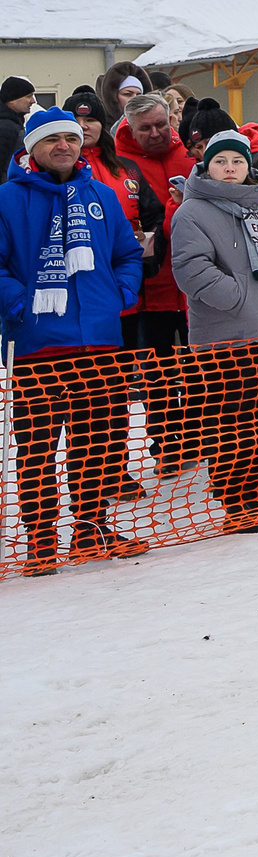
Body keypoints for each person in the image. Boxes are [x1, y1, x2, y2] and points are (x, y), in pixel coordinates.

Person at [0, 108, 148, 569]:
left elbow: (127, 254)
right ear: (32, 148)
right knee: (38, 449)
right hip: (38, 344)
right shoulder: (7, 198)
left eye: (70, 138)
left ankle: (90, 528)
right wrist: (20, 305)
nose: (63, 145)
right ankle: (41, 539)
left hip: (99, 341)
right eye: (51, 140)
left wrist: (120, 293)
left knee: (99, 442)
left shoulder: (101, 194)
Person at [169, 126, 258, 533]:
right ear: (206, 166)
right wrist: (239, 298)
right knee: (234, 422)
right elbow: (191, 269)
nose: (230, 168)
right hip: (226, 338)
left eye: (237, 161)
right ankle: (236, 499)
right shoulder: (192, 212)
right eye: (221, 161)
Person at [71, 90, 166, 502]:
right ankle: (88, 475)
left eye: (92, 120)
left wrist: (144, 263)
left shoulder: (124, 168)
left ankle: (116, 468)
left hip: (124, 298)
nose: (85, 126)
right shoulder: (59, 171)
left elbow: (153, 215)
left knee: (116, 391)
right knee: (83, 397)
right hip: (77, 302)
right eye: (78, 120)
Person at [110, 92, 195, 473]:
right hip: (150, 285)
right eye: (146, 128)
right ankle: (165, 444)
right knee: (157, 372)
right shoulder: (119, 162)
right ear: (130, 128)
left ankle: (195, 436)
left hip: (193, 282)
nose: (157, 132)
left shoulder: (188, 154)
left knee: (196, 366)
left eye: (162, 124)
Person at [1, 74, 38, 167]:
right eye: (28, 96)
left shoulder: (13, 122)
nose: (33, 101)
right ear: (12, 100)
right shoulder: (6, 127)